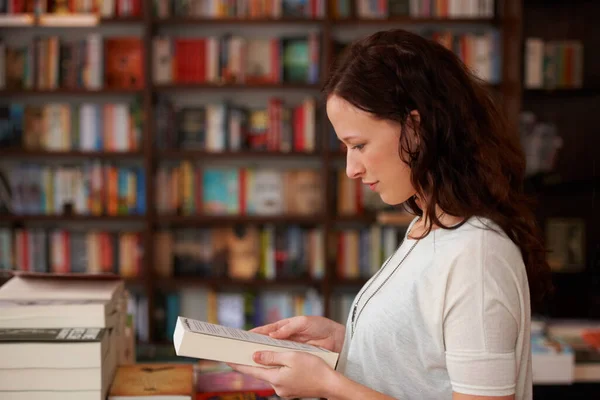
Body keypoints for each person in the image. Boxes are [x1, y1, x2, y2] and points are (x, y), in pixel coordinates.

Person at [228, 28, 553, 400]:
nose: (351, 169)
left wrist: (327, 384)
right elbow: (426, 364)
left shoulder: (476, 255)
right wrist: (347, 342)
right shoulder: (427, 228)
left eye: (360, 145)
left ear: (415, 129)